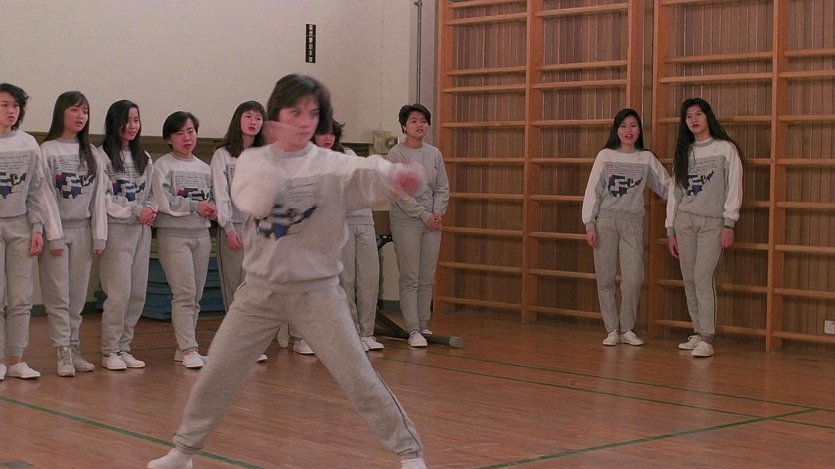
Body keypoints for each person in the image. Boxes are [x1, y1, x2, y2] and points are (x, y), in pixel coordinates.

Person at [147, 74, 426, 469]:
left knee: (358, 376)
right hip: (259, 291)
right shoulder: (254, 161)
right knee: (218, 374)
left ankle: (409, 454)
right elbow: (254, 201)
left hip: (318, 292)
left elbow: (366, 173)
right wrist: (279, 168)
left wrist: (395, 177)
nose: (304, 121)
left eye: (312, 114)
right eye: (295, 112)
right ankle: (182, 453)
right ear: (276, 116)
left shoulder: (332, 164)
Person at [581, 108, 670, 347]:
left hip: (632, 224)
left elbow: (666, 187)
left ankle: (628, 328)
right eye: (623, 126)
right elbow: (593, 190)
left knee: (633, 278)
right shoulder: (605, 156)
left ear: (639, 130)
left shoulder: (646, 158)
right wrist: (590, 224)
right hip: (605, 223)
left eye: (633, 125)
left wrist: (691, 199)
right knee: (605, 278)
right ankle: (612, 329)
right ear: (616, 130)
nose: (628, 130)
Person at [666, 98, 743, 358]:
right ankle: (698, 332)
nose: (694, 120)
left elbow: (734, 187)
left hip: (712, 223)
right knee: (689, 278)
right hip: (684, 222)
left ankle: (707, 338)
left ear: (708, 116)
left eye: (698, 114)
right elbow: (674, 193)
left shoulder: (725, 149)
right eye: (689, 116)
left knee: (702, 277)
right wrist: (670, 229)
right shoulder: (684, 152)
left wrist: (729, 223)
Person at [39, 91, 107, 377]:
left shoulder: (91, 152)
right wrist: (53, 235)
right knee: (59, 295)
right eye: (75, 110)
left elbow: (99, 196)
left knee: (77, 296)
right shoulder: (47, 150)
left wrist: (99, 234)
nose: (81, 116)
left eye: (85, 111)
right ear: (61, 113)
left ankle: (75, 346)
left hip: (83, 230)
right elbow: (44, 196)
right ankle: (62, 351)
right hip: (57, 231)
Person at [0, 83, 63, 380]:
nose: (11, 111)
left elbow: (37, 188)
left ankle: (16, 359)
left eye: (15, 106)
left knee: (21, 296)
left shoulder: (27, 143)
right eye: (4, 105)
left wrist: (37, 227)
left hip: (21, 225)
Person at [151, 111, 217, 369]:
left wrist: (212, 210)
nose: (187, 138)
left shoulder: (204, 168)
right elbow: (163, 201)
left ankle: (184, 348)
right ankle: (190, 349)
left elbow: (212, 199)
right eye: (179, 133)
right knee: (184, 293)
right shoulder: (162, 166)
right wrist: (194, 206)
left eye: (190, 131)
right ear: (169, 139)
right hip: (174, 236)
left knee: (196, 296)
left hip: (201, 235)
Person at [314, 121, 384, 352]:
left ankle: (367, 332)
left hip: (364, 220)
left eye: (332, 134)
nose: (328, 138)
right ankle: (352, 333)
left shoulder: (348, 154)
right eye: (323, 134)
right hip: (339, 224)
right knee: (347, 279)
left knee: (369, 278)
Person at [97, 100, 156, 370]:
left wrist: (149, 209)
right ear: (115, 122)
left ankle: (124, 347)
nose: (132, 126)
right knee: (118, 293)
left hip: (141, 231)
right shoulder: (101, 157)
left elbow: (152, 195)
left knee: (137, 293)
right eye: (127, 120)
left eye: (136, 120)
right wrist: (134, 210)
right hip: (117, 231)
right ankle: (110, 350)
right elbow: (104, 199)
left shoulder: (145, 157)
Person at [387, 103, 449, 348]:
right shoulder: (397, 154)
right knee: (410, 276)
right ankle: (412, 328)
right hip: (407, 220)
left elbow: (442, 187)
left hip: (432, 221)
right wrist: (423, 215)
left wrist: (437, 213)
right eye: (414, 121)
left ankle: (423, 324)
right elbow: (399, 193)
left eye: (423, 121)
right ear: (404, 126)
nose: (419, 125)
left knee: (427, 275)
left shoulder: (434, 153)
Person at [211, 101, 268, 362]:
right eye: (248, 116)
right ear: (238, 119)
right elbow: (220, 193)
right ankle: (234, 346)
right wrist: (228, 227)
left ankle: (251, 345)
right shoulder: (223, 155)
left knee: (255, 289)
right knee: (235, 289)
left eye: (258, 118)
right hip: (234, 227)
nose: (253, 122)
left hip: (259, 230)